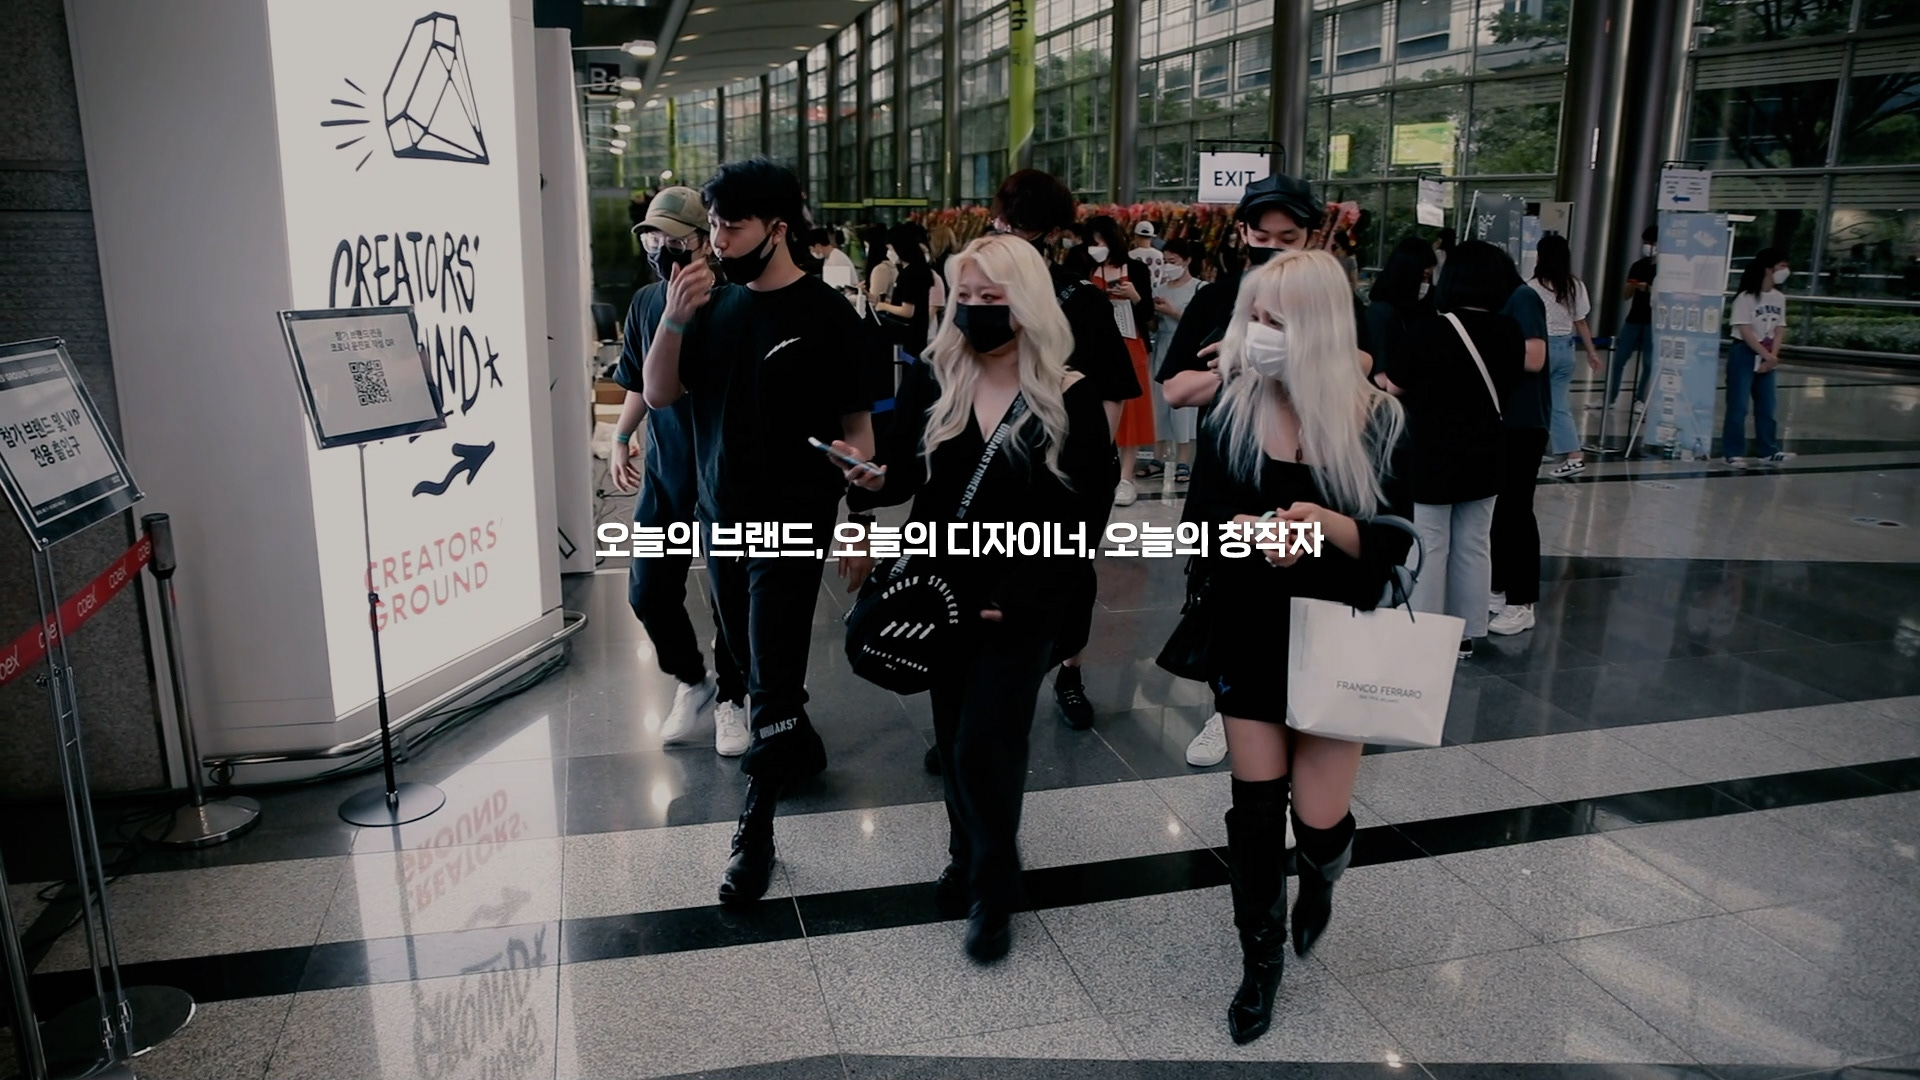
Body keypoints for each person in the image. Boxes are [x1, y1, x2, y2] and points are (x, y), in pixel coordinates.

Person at [837, 234, 1113, 963]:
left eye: (993, 298)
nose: (975, 310)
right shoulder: (936, 377)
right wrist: (871, 479)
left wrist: (1022, 595)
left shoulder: (1069, 394)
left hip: (1028, 593)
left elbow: (1084, 512)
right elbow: (907, 474)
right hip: (942, 588)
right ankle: (969, 855)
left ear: (1027, 304)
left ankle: (993, 883)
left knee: (989, 739)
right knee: (956, 733)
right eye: (965, 297)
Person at [1178, 249, 1412, 1044]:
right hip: (1248, 628)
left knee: (1319, 820)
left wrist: (1323, 525)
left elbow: (1394, 547)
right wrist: (1249, 534)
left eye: (1275, 320)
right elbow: (1198, 529)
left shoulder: (1379, 420)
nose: (1258, 334)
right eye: (1253, 317)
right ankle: (1261, 960)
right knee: (1254, 811)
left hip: (1338, 637)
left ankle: (1321, 878)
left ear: (1319, 327)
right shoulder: (1232, 411)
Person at [641, 158, 879, 904]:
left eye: (731, 226)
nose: (717, 239)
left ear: (777, 228)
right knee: (747, 662)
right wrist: (674, 317)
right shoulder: (710, 307)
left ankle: (755, 834)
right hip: (720, 516)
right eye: (713, 225)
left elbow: (858, 429)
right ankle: (794, 742)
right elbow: (659, 393)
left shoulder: (827, 315)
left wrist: (860, 521)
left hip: (793, 519)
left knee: (768, 676)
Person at [1160, 171, 1373, 769]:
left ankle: (1315, 708)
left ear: (1311, 237)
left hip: (1316, 473)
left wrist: (1298, 358)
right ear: (1243, 233)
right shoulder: (1215, 298)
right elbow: (1176, 389)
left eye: (1288, 237)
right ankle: (1229, 706)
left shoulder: (1333, 299)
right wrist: (1239, 368)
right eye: (1262, 235)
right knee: (1225, 594)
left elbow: (1361, 366)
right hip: (1233, 470)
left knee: (1314, 597)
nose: (1273, 247)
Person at [985, 170, 1141, 734]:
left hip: (1068, 464)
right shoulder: (982, 292)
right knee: (987, 570)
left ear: (1051, 232)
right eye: (1004, 222)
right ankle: (983, 698)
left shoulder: (1080, 298)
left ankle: (1069, 672)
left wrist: (1097, 467)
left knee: (1070, 571)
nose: (1008, 234)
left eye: (1021, 225)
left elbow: (1112, 390)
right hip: (996, 461)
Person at [608, 187, 748, 755]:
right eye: (651, 239)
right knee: (647, 589)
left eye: (673, 239)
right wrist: (621, 436)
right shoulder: (646, 302)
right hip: (667, 469)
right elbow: (639, 381)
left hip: (725, 470)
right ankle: (693, 679)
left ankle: (733, 696)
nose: (661, 250)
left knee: (730, 594)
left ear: (703, 242)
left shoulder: (737, 303)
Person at [1376, 240, 1526, 660]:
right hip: (1488, 451)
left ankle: (1425, 632)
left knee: (1430, 541)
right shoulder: (1510, 331)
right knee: (1475, 543)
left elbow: (1395, 385)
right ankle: (1465, 633)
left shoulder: (1430, 329)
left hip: (1433, 453)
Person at [1486, 253, 1553, 636]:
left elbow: (1535, 357)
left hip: (1523, 423)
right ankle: (1498, 588)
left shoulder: (1523, 298)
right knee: (1500, 510)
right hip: (1505, 420)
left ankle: (1521, 600)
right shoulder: (1507, 302)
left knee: (1516, 511)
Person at [1087, 215, 1158, 504]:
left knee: (1132, 408)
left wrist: (1134, 296)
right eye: (1092, 242)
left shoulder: (1136, 268)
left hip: (1130, 342)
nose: (1097, 247)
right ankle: (1099, 467)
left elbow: (1148, 312)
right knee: (1094, 406)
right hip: (1095, 344)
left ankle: (1126, 476)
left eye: (1101, 241)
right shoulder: (1086, 267)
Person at [1532, 234, 1602, 478]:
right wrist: (1591, 352)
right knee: (1558, 403)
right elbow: (1580, 321)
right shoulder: (1575, 285)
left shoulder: (1533, 287)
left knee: (1536, 401)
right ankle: (1567, 454)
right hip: (1567, 348)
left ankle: (1570, 454)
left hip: (1541, 348)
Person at [1724, 247, 1794, 467]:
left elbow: (1780, 329)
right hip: (1744, 353)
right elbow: (1745, 331)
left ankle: (1768, 450)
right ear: (1768, 268)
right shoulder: (1745, 298)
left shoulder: (1779, 297)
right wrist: (1765, 355)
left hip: (1768, 354)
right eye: (1782, 266)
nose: (1785, 270)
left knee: (1767, 406)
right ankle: (1733, 452)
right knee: (1738, 406)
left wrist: (1772, 357)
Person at [1150, 238, 1206, 486]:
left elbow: (1199, 324)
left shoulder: (1200, 289)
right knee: (1159, 405)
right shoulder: (1159, 288)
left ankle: (1184, 459)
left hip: (1186, 350)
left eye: (1172, 261)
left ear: (1187, 260)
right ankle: (1158, 456)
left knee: (1184, 409)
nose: (1168, 266)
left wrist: (1171, 311)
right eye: (1164, 261)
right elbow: (1154, 325)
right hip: (1162, 347)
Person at [1365, 236, 1438, 380]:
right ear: (1406, 274)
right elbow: (1381, 376)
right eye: (1423, 277)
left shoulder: (1423, 308)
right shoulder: (1381, 314)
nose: (1426, 284)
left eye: (1429, 278)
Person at [1609, 225, 1658, 416]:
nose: (1648, 246)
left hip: (1653, 321)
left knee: (1649, 363)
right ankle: (1610, 397)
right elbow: (1625, 295)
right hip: (1633, 319)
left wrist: (1647, 288)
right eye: (1645, 242)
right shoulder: (1638, 266)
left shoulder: (1664, 269)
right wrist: (1631, 286)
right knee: (1619, 359)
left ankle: (1641, 399)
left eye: (1651, 242)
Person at [873, 221, 935, 355]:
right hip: (917, 334)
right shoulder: (917, 269)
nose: (889, 253)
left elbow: (908, 311)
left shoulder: (911, 273)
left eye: (890, 249)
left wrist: (883, 306)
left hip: (908, 338)